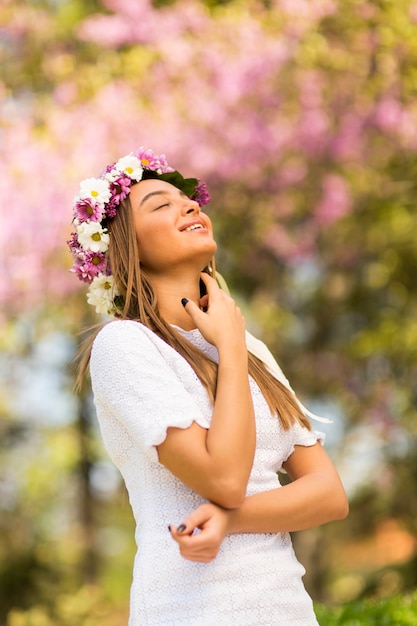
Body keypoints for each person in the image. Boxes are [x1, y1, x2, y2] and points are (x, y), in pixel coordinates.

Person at [68, 147, 348, 625]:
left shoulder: (248, 347)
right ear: (124, 246)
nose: (191, 206)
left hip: (287, 610)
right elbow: (223, 479)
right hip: (190, 609)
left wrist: (231, 520)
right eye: (161, 204)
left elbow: (328, 495)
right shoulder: (124, 345)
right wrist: (232, 350)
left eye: (189, 200)